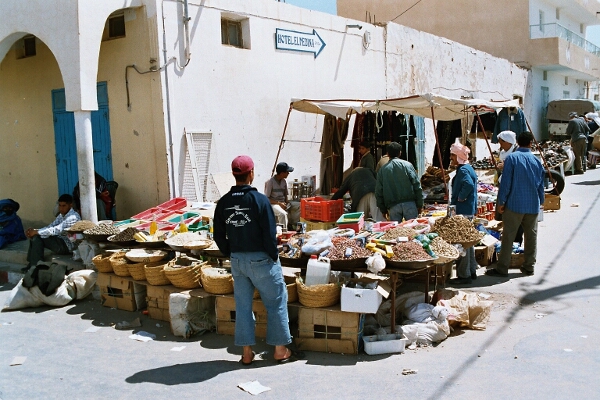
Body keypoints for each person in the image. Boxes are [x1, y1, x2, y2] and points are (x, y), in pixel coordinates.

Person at [214, 155, 300, 365]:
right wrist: (272, 256)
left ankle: (246, 353)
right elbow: (269, 235)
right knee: (276, 302)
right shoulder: (260, 200)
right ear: (251, 173)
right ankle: (280, 349)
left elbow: (218, 234)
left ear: (235, 175)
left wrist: (230, 252)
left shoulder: (224, 202)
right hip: (261, 259)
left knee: (243, 306)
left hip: (237, 261)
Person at [486, 131, 545, 278]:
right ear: (531, 143)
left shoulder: (512, 159)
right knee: (531, 237)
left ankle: (502, 268)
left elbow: (506, 183)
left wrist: (502, 202)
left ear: (517, 142)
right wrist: (541, 201)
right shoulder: (537, 161)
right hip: (532, 205)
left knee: (508, 237)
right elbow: (541, 185)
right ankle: (529, 266)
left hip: (514, 205)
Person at [24, 193, 81, 272]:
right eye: (60, 205)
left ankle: (35, 266)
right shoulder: (62, 215)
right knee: (36, 236)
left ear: (70, 205)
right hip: (60, 241)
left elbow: (56, 230)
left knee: (38, 236)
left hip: (67, 246)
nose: (61, 208)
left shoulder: (73, 217)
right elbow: (51, 226)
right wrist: (35, 230)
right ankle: (32, 264)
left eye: (64, 206)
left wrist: (36, 232)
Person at [447, 143, 479, 285]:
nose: (451, 158)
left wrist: (460, 197)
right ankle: (471, 270)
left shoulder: (464, 170)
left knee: (463, 243)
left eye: (452, 155)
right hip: (468, 210)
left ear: (458, 156)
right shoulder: (467, 168)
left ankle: (464, 275)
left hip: (463, 211)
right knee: (468, 243)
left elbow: (468, 185)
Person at [375, 141, 423, 222]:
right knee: (413, 230)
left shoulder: (382, 170)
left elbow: (378, 192)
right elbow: (417, 186)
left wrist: (383, 210)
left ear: (387, 154)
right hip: (410, 204)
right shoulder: (407, 165)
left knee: (397, 232)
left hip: (393, 207)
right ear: (400, 153)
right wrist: (420, 204)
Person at [495, 130, 523, 245]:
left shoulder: (517, 153)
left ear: (508, 142)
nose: (500, 144)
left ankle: (516, 242)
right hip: (505, 186)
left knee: (516, 218)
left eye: (502, 141)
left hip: (513, 190)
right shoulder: (503, 153)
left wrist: (505, 166)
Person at [264, 162, 293, 229]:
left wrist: (286, 203)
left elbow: (285, 195)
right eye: (287, 172)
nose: (288, 173)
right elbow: (267, 199)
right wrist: (279, 203)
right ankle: (284, 233)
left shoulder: (283, 181)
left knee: (298, 206)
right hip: (273, 204)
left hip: (282, 203)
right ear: (282, 173)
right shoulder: (270, 182)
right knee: (283, 214)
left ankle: (295, 227)